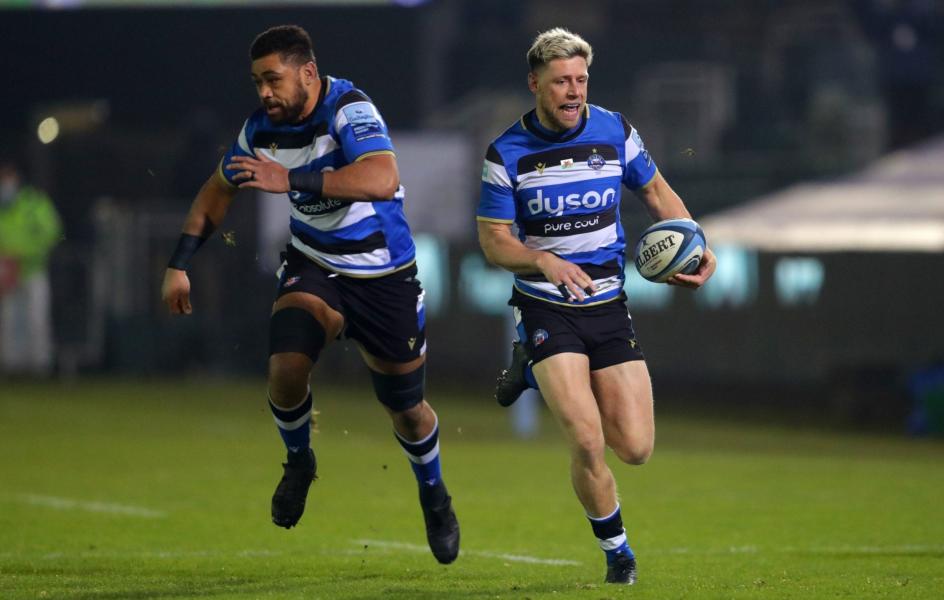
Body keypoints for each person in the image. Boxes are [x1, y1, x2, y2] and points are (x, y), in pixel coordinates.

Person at [160, 25, 459, 564]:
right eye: (257, 82)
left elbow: (382, 177)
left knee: (408, 410)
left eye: (273, 79)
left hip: (383, 276)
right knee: (285, 367)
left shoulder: (349, 108)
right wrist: (179, 264)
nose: (264, 93)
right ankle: (299, 461)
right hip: (315, 266)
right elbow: (216, 190)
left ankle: (434, 493)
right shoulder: (260, 130)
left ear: (307, 73)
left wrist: (293, 180)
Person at [476, 28, 716, 585]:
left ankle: (527, 372)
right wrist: (543, 261)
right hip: (545, 305)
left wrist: (697, 245)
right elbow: (494, 241)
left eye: (581, 79)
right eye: (561, 81)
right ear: (535, 83)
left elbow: (658, 195)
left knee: (634, 448)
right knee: (586, 438)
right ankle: (618, 552)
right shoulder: (506, 153)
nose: (573, 91)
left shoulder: (615, 131)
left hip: (608, 304)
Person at [0, 159, 62, 376]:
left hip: (33, 270)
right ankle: (12, 367)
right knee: (9, 321)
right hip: (6, 273)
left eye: (8, 177)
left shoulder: (34, 202)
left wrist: (22, 255)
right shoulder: (2, 208)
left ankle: (39, 367)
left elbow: (51, 232)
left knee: (37, 318)